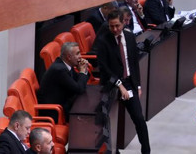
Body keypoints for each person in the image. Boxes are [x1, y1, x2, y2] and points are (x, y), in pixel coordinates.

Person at [91, 11, 150, 153]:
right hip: (111, 84)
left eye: (117, 25)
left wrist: (138, 85)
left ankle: (146, 150)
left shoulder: (129, 37)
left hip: (129, 83)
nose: (115, 29)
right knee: (108, 121)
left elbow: (134, 63)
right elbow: (104, 68)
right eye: (111, 26)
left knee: (139, 119)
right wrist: (119, 85)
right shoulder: (103, 41)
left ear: (124, 23)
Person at [38, 41, 90, 118]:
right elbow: (79, 89)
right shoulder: (59, 70)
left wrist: (82, 70)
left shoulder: (66, 64)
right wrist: (82, 71)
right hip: (55, 113)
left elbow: (79, 83)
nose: (80, 57)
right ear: (69, 57)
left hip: (63, 103)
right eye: (77, 54)